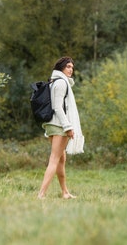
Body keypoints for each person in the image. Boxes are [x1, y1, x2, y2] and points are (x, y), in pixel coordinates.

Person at [37, 56, 84, 199]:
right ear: (61, 68)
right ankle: (41, 194)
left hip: (52, 124)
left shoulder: (54, 82)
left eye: (72, 67)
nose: (71, 69)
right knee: (54, 158)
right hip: (59, 125)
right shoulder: (61, 83)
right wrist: (68, 127)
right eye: (68, 66)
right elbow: (58, 107)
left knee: (61, 159)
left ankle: (65, 192)